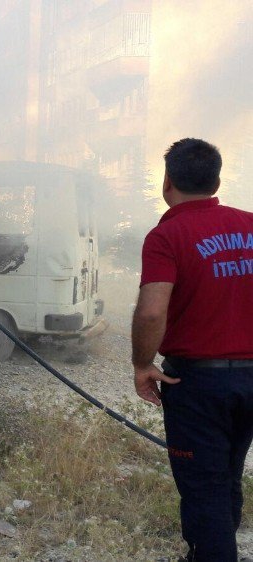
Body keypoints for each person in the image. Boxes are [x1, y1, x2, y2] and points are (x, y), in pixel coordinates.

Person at [132, 138, 253, 561]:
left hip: (198, 383)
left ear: (168, 182)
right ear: (217, 180)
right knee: (228, 474)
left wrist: (142, 364)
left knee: (203, 489)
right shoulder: (251, 224)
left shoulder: (167, 234)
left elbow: (150, 313)